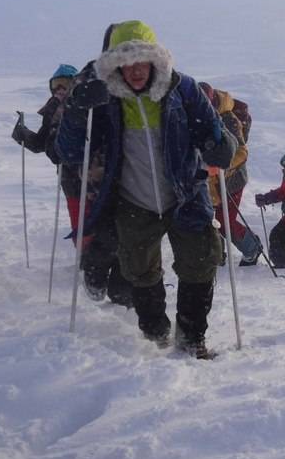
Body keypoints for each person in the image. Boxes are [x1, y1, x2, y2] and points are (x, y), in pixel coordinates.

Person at [54, 20, 235, 359]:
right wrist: (77, 110)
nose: (135, 71)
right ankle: (156, 332)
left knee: (201, 263)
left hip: (185, 196)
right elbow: (67, 151)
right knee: (139, 271)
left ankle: (192, 339)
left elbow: (215, 133)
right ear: (115, 65)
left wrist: (219, 145)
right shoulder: (103, 100)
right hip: (133, 200)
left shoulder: (183, 90)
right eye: (126, 62)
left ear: (156, 61)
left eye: (142, 61)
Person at [12, 65, 133, 308]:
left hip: (97, 175)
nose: (60, 88)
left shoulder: (88, 102)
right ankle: (90, 265)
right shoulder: (52, 110)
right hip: (70, 178)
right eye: (55, 84)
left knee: (106, 224)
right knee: (82, 225)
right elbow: (43, 143)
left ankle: (106, 270)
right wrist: (22, 135)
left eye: (64, 83)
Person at [199, 82, 262, 266]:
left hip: (231, 180)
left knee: (224, 221)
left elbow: (242, 152)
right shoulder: (194, 115)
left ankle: (252, 248)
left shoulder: (228, 119)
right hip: (209, 180)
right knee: (209, 219)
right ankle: (217, 255)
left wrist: (221, 167)